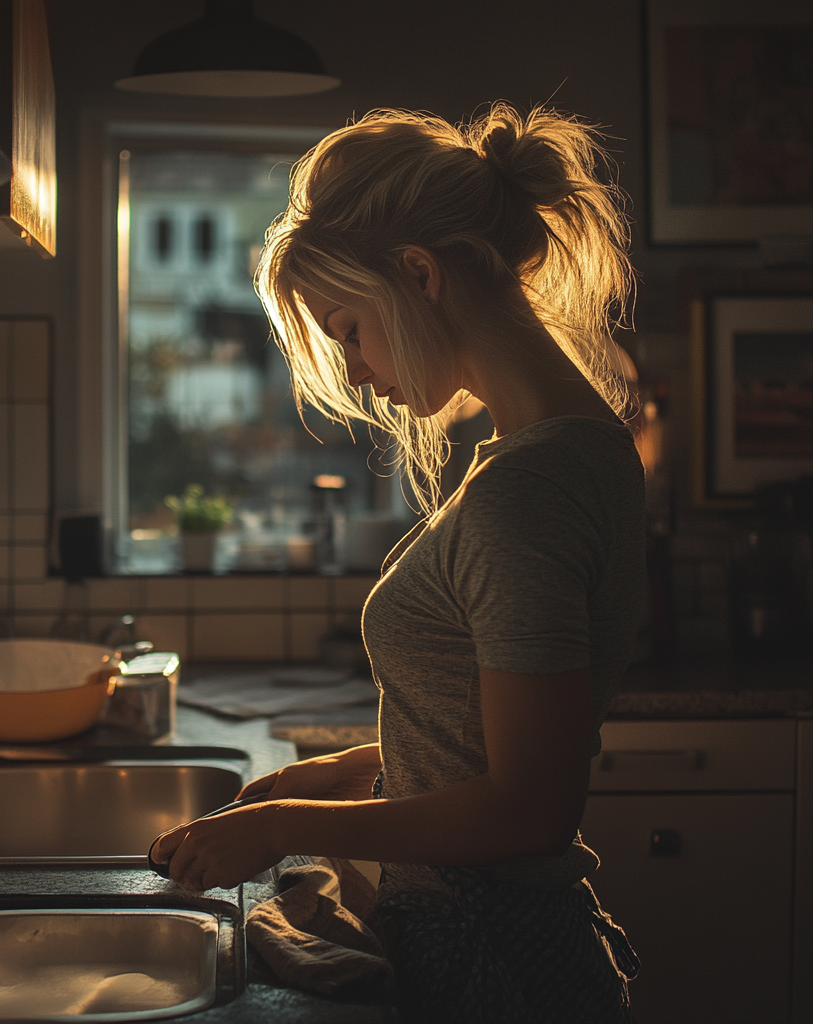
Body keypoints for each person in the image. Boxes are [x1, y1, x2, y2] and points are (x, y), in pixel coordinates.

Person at [151, 102, 645, 1023]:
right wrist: (334, 774)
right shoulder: (572, 447)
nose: (356, 371)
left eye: (345, 329)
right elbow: (492, 744)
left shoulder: (525, 489)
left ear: (418, 275)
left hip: (492, 950)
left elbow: (528, 809)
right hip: (492, 931)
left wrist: (280, 828)